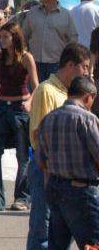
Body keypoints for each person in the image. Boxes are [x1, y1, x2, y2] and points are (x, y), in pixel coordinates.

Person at [26, 43, 91, 250]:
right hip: (47, 169)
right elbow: (39, 135)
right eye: (85, 67)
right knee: (42, 231)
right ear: (71, 65)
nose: (88, 72)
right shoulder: (47, 90)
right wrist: (49, 175)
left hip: (64, 173)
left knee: (61, 231)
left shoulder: (69, 93)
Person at [37, 76, 99, 250]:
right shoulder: (87, 119)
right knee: (92, 244)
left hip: (55, 188)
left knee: (57, 245)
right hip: (82, 191)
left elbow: (41, 160)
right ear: (88, 97)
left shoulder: (48, 119)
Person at [0, 22, 38, 213]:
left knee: (23, 155)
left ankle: (22, 197)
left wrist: (30, 103)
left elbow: (36, 86)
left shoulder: (26, 58)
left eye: (6, 36)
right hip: (1, 108)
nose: (2, 40)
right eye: (1, 37)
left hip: (20, 109)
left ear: (15, 37)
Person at [22, 0, 78, 81]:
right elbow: (24, 35)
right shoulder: (33, 12)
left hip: (56, 64)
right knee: (36, 93)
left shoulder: (66, 15)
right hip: (35, 63)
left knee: (54, 93)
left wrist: (66, 59)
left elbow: (73, 39)